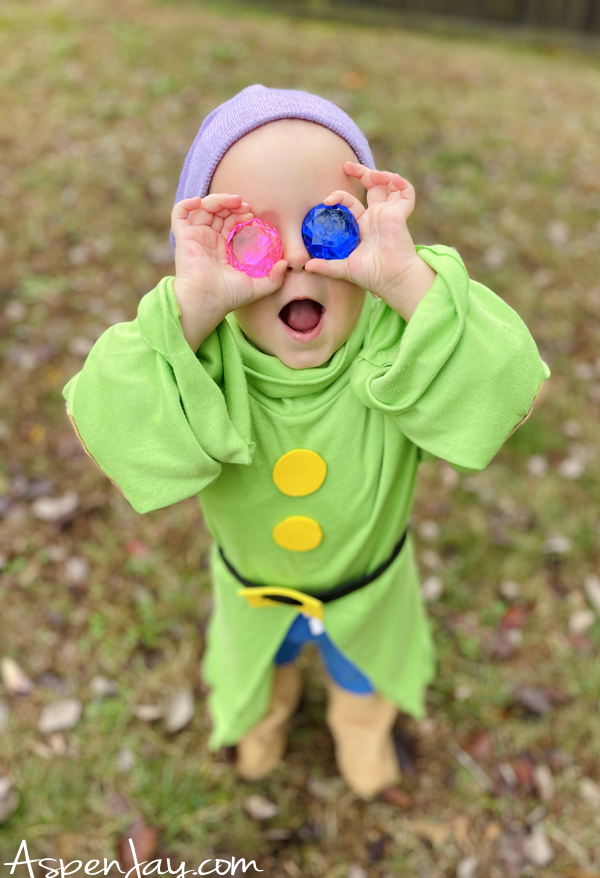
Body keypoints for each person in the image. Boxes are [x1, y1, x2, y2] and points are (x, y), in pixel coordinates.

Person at [63, 85, 549, 798]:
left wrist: (412, 284)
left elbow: (511, 383)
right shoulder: (198, 360)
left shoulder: (401, 342)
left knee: (365, 678)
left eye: (329, 228)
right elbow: (108, 418)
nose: (293, 256)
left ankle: (362, 728)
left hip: (368, 591)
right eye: (251, 239)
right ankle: (262, 718)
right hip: (255, 594)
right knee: (258, 674)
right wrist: (188, 317)